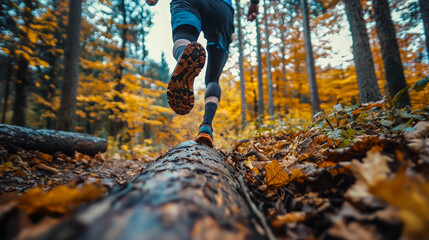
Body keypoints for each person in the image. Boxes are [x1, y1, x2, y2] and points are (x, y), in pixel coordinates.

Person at [146, 0, 259, 147]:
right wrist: (254, 3)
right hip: (221, 7)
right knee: (212, 80)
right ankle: (206, 127)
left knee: (183, 40)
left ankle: (183, 56)